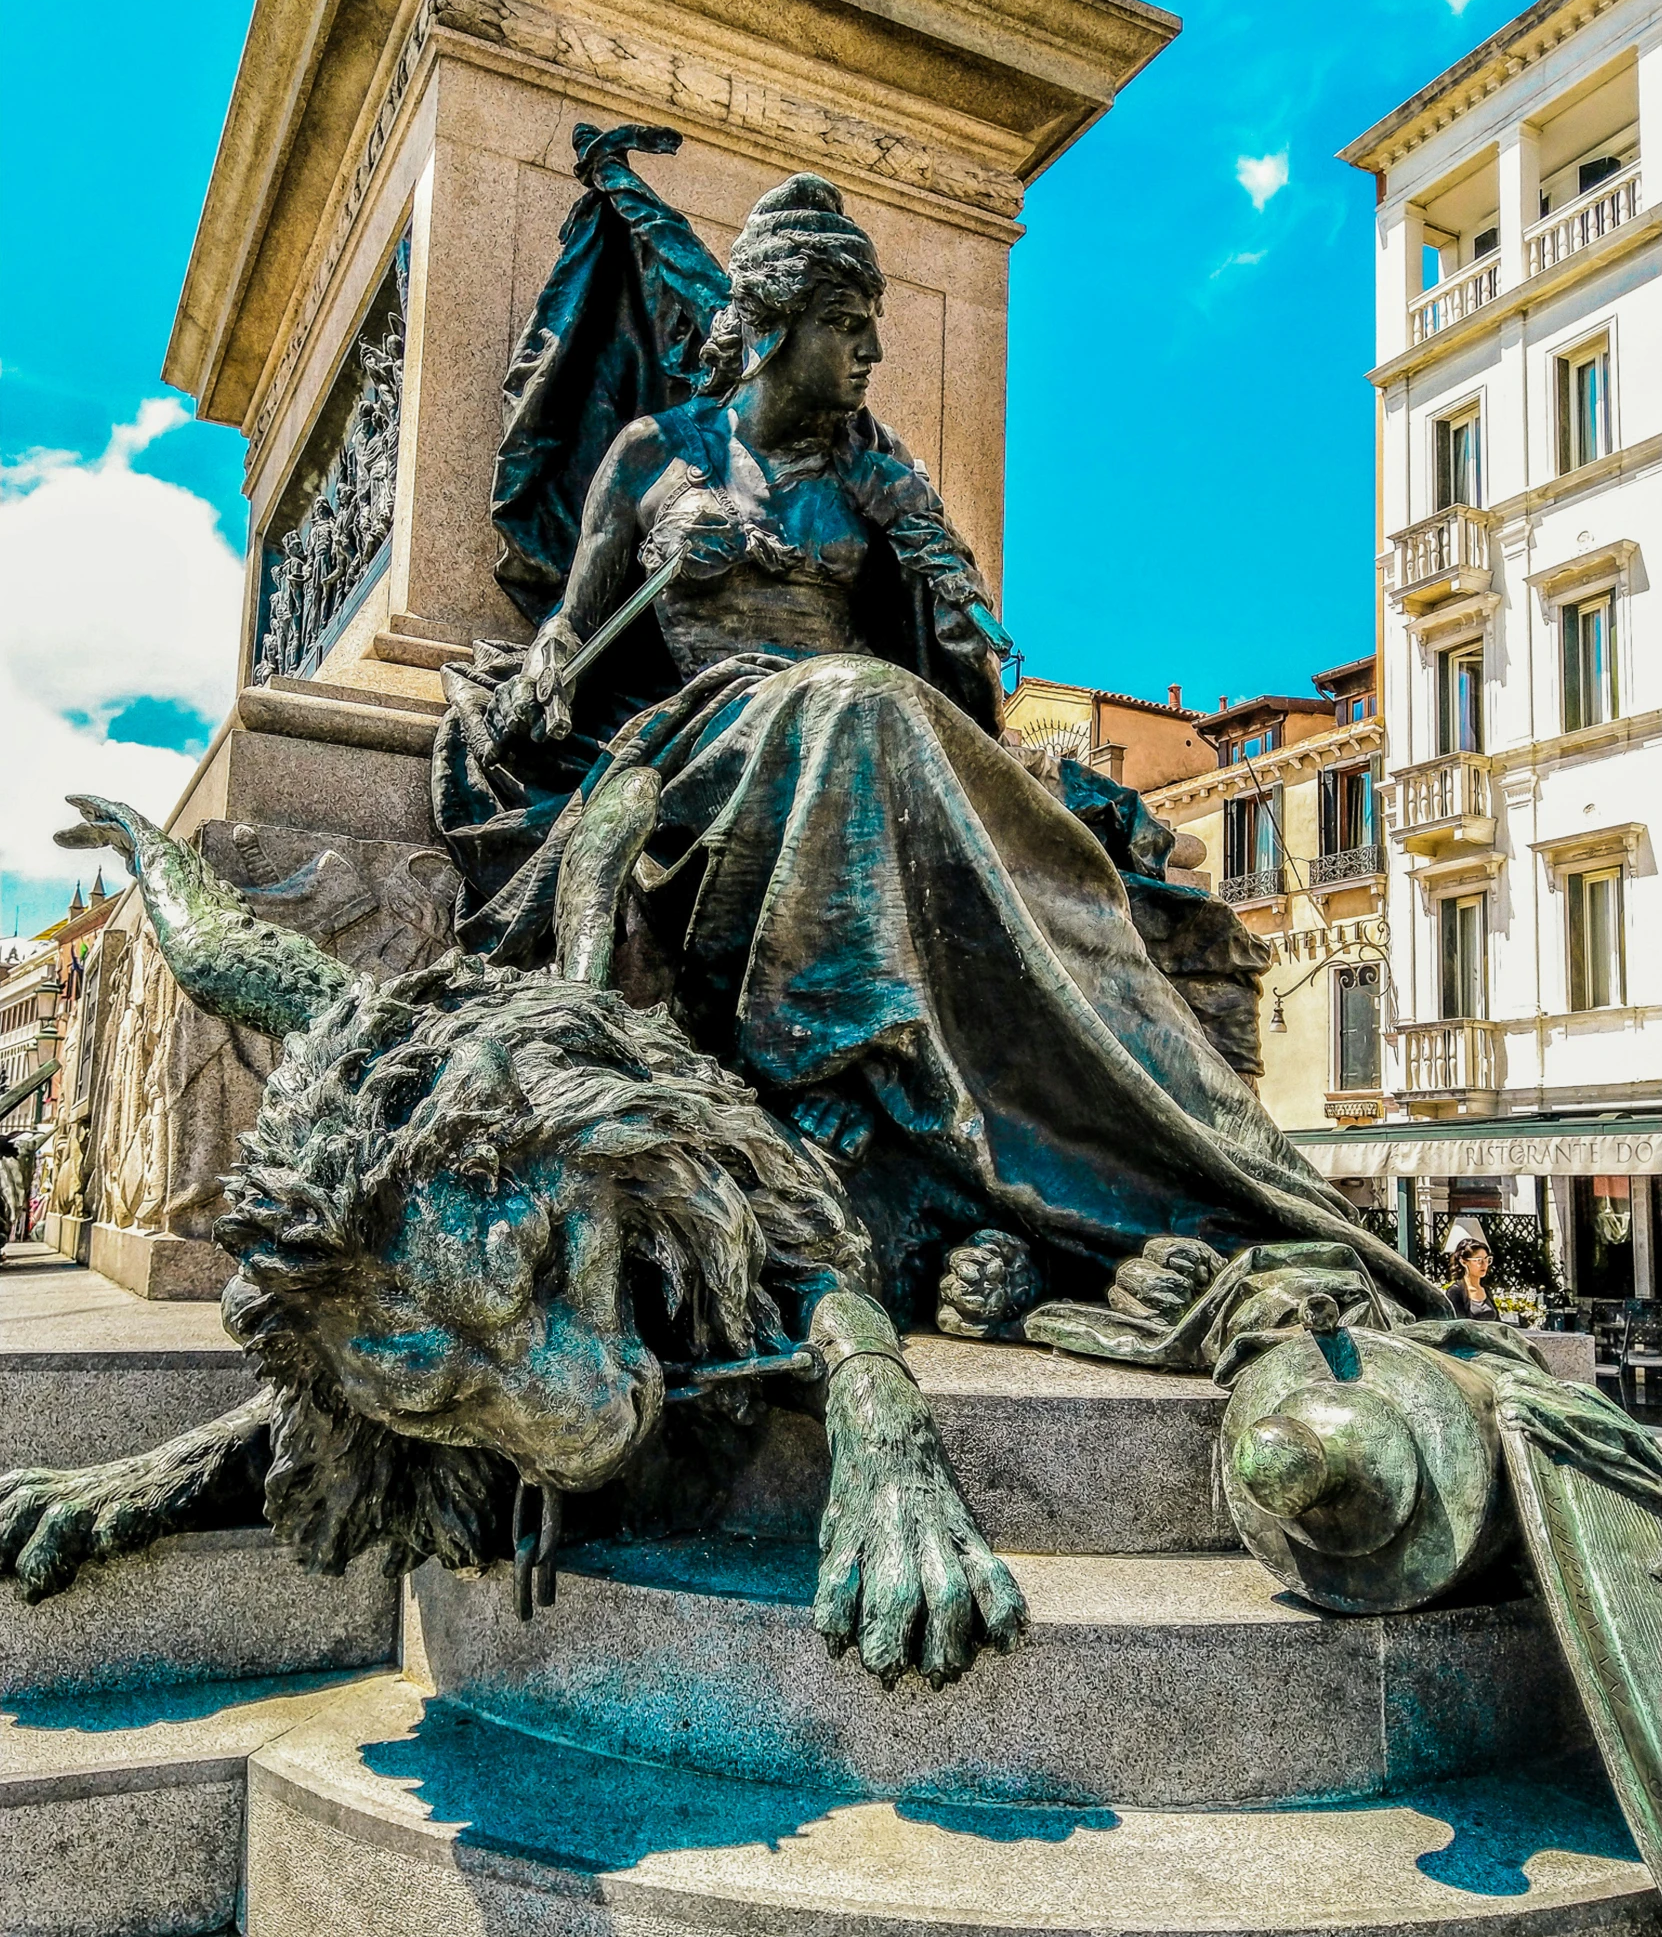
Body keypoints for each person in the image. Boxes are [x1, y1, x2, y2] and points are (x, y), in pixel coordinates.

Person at [435, 151, 1442, 1326]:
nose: (870, 355)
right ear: (772, 326)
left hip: (849, 735)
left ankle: (1077, 1112)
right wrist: (652, 588)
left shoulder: (874, 480)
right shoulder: (656, 456)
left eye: (874, 328)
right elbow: (565, 648)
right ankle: (834, 1050)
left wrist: (941, 590)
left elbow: (943, 677)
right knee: (859, 706)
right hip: (708, 741)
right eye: (847, 327)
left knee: (904, 731)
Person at [1444, 1220, 1508, 1321]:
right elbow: (1459, 1324)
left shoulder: (1485, 1290)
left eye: (1487, 1260)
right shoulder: (1455, 1291)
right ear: (1463, 1262)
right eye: (1479, 1260)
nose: (1484, 1264)